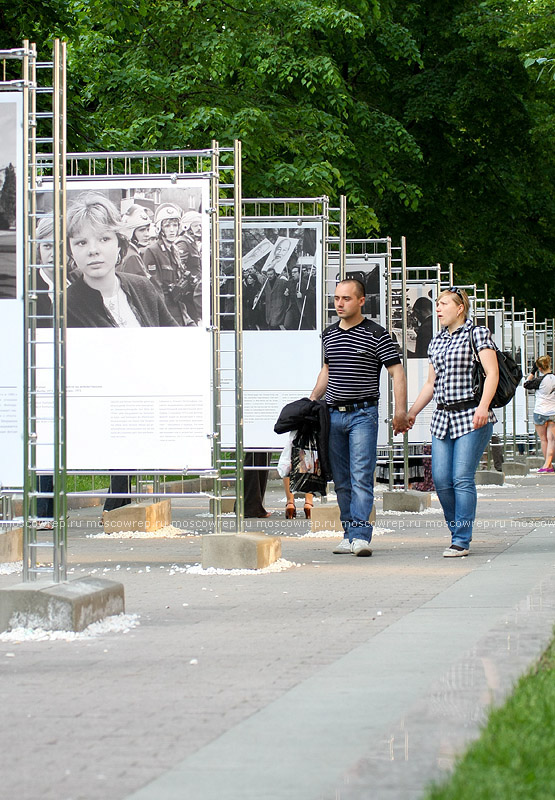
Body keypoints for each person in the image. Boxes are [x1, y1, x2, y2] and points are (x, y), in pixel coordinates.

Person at [309, 278, 409, 556]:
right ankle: (348, 533)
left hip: (363, 413)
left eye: (347, 299)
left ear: (362, 301)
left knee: (361, 476)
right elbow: (327, 371)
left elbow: (396, 372)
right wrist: (311, 400)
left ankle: (361, 535)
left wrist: (400, 411)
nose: (339, 303)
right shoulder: (329, 334)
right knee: (340, 479)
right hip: (332, 415)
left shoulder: (377, 334)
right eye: (337, 298)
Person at [408, 287, 499, 557]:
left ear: (459, 308)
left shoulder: (477, 334)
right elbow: (430, 384)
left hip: (472, 415)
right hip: (443, 417)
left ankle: (461, 539)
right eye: (436, 303)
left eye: (444, 303)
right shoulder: (435, 341)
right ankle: (457, 530)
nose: (438, 308)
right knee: (442, 479)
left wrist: (483, 406)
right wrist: (411, 412)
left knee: (461, 477)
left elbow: (492, 374)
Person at [65, 192, 178, 328]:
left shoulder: (144, 288)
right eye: (82, 242)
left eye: (104, 239)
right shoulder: (66, 306)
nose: (93, 250)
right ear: (70, 250)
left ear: (119, 243)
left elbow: (173, 339)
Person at [143, 203, 194, 326]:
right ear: (160, 228)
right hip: (165, 309)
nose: (172, 229)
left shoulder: (174, 250)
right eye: (167, 226)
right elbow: (154, 287)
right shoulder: (152, 251)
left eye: (175, 225)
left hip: (180, 306)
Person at [524, 355, 555, 473]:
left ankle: (547, 464)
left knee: (543, 439)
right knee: (551, 439)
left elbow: (526, 384)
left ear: (540, 369)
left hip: (540, 411)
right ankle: (549, 464)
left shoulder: (539, 381)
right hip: (553, 412)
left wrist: (532, 372)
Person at [118, 204, 154, 279]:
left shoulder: (128, 251)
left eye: (148, 229)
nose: (147, 234)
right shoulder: (132, 256)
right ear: (130, 233)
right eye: (142, 230)